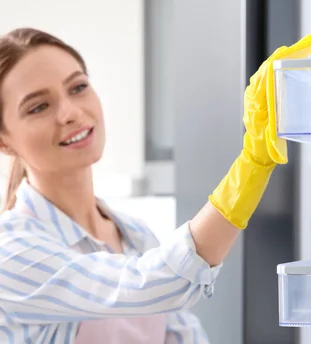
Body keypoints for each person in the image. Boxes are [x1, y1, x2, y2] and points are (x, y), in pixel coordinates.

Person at [0, 27, 286, 343]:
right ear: (4, 141)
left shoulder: (134, 236)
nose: (69, 113)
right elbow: (150, 285)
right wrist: (253, 164)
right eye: (38, 107)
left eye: (78, 87)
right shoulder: (9, 253)